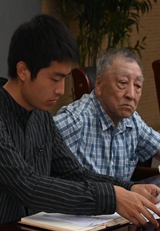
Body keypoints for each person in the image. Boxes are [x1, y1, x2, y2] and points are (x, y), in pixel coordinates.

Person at [0, 14, 160, 231]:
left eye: (65, 78)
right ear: (23, 71)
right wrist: (111, 198)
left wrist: (127, 187)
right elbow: (28, 186)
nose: (61, 89)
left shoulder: (40, 117)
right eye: (55, 79)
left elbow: (73, 172)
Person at [54, 48, 160, 181]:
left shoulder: (132, 121)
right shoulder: (74, 120)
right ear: (99, 85)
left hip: (122, 194)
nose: (132, 95)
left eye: (138, 85)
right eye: (123, 83)